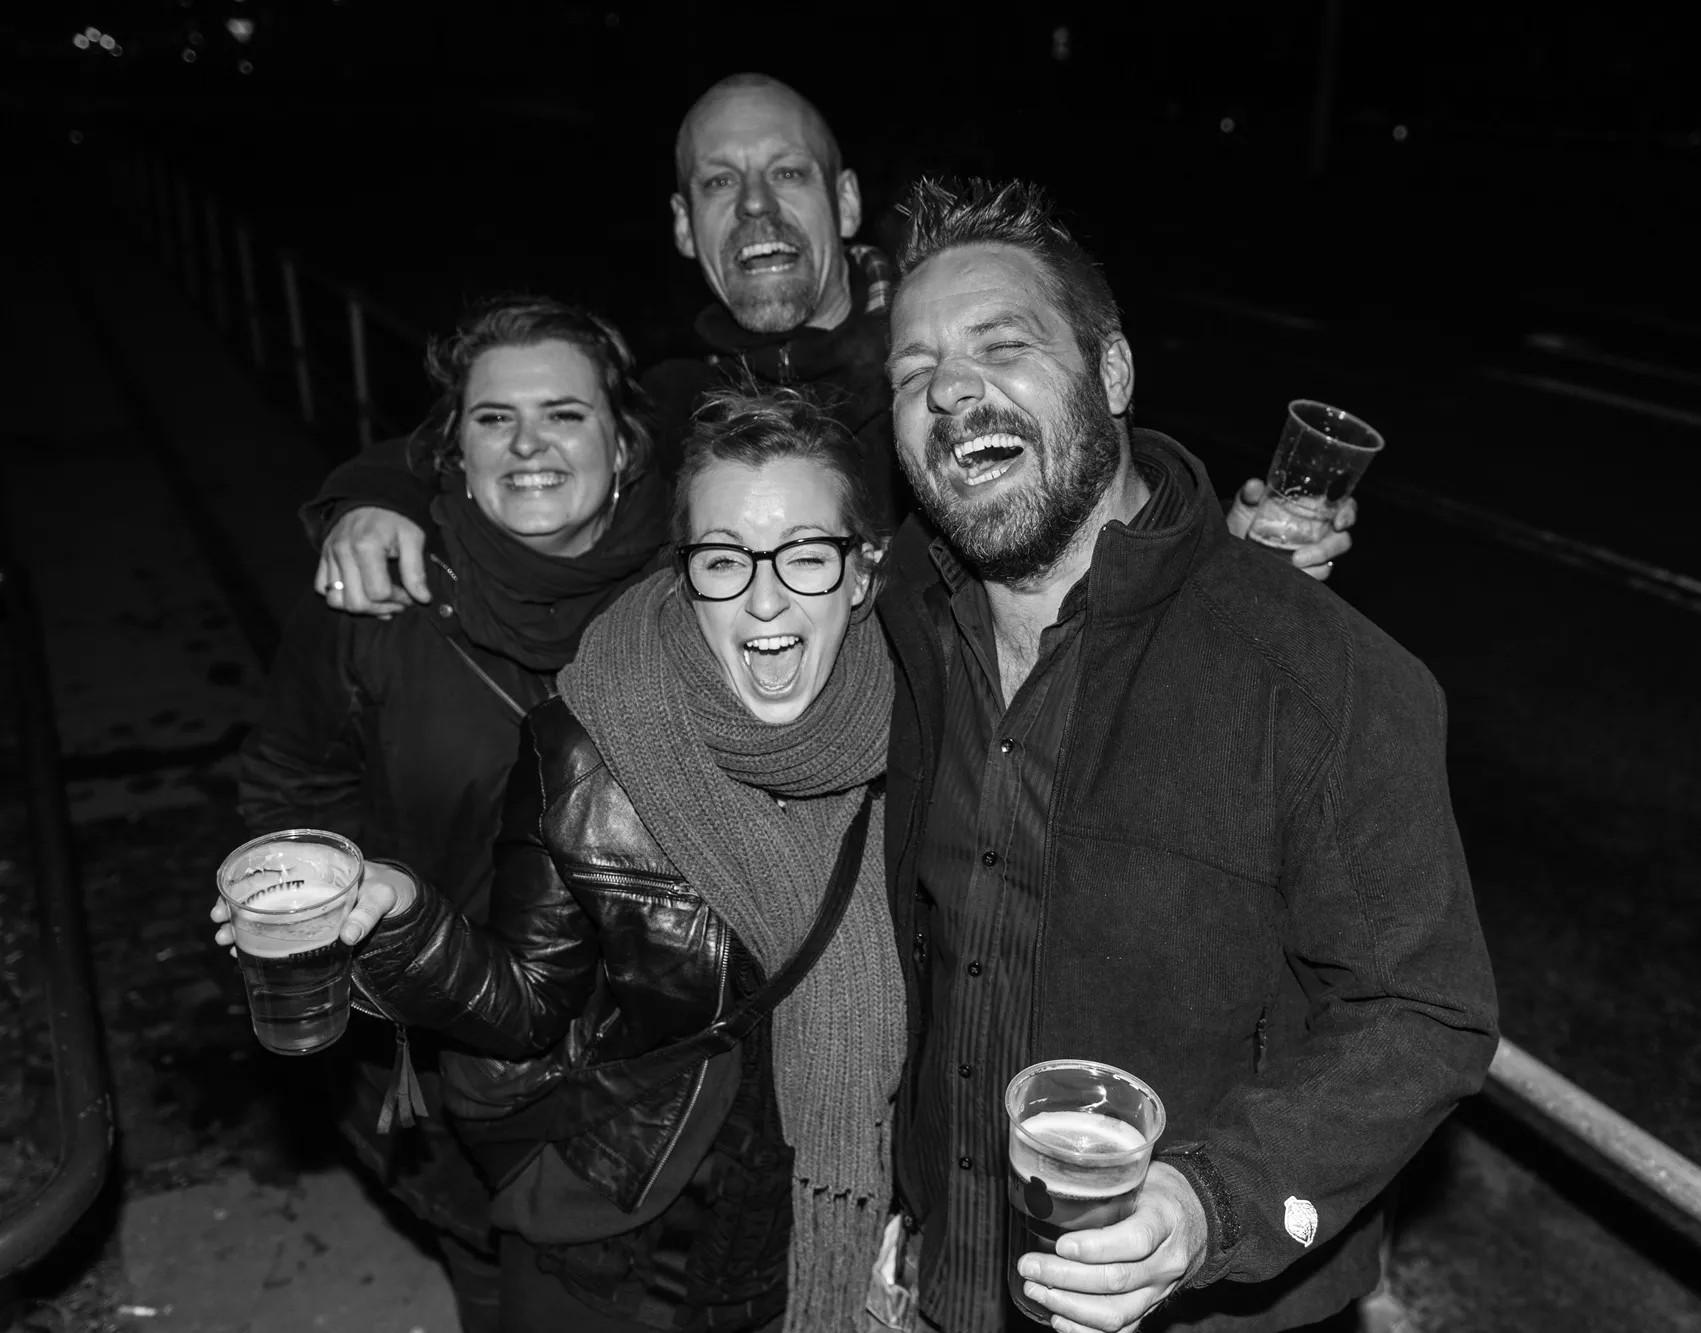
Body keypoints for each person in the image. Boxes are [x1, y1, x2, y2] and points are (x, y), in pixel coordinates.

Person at [871, 178, 1499, 1333]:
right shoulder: (894, 619)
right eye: (914, 373)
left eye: (1000, 347)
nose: (950, 390)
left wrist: (1210, 1202)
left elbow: (1422, 1010)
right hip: (934, 1289)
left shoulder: (1314, 673)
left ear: (1110, 373)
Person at [222, 387, 906, 1332]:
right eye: (722, 558)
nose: (763, 596)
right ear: (684, 573)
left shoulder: (928, 727)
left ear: (863, 572)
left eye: (807, 553)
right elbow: (527, 1002)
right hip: (630, 1231)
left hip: (831, 1233)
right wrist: (404, 916)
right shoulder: (588, 744)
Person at [305, 74, 1351, 624]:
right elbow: (507, 437)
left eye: (788, 173)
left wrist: (1213, 548)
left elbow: (1082, 471)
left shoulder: (945, 367)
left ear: (844, 202)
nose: (756, 206)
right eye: (720, 182)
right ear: (685, 227)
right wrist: (374, 500)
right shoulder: (672, 399)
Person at [234, 294, 667, 1333]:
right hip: (449, 1051)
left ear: (622, 443)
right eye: (493, 418)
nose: (527, 444)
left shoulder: (698, 591)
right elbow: (288, 785)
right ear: (453, 451)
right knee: (491, 1279)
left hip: (655, 1073)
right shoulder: (377, 601)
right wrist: (315, 908)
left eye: (564, 414)